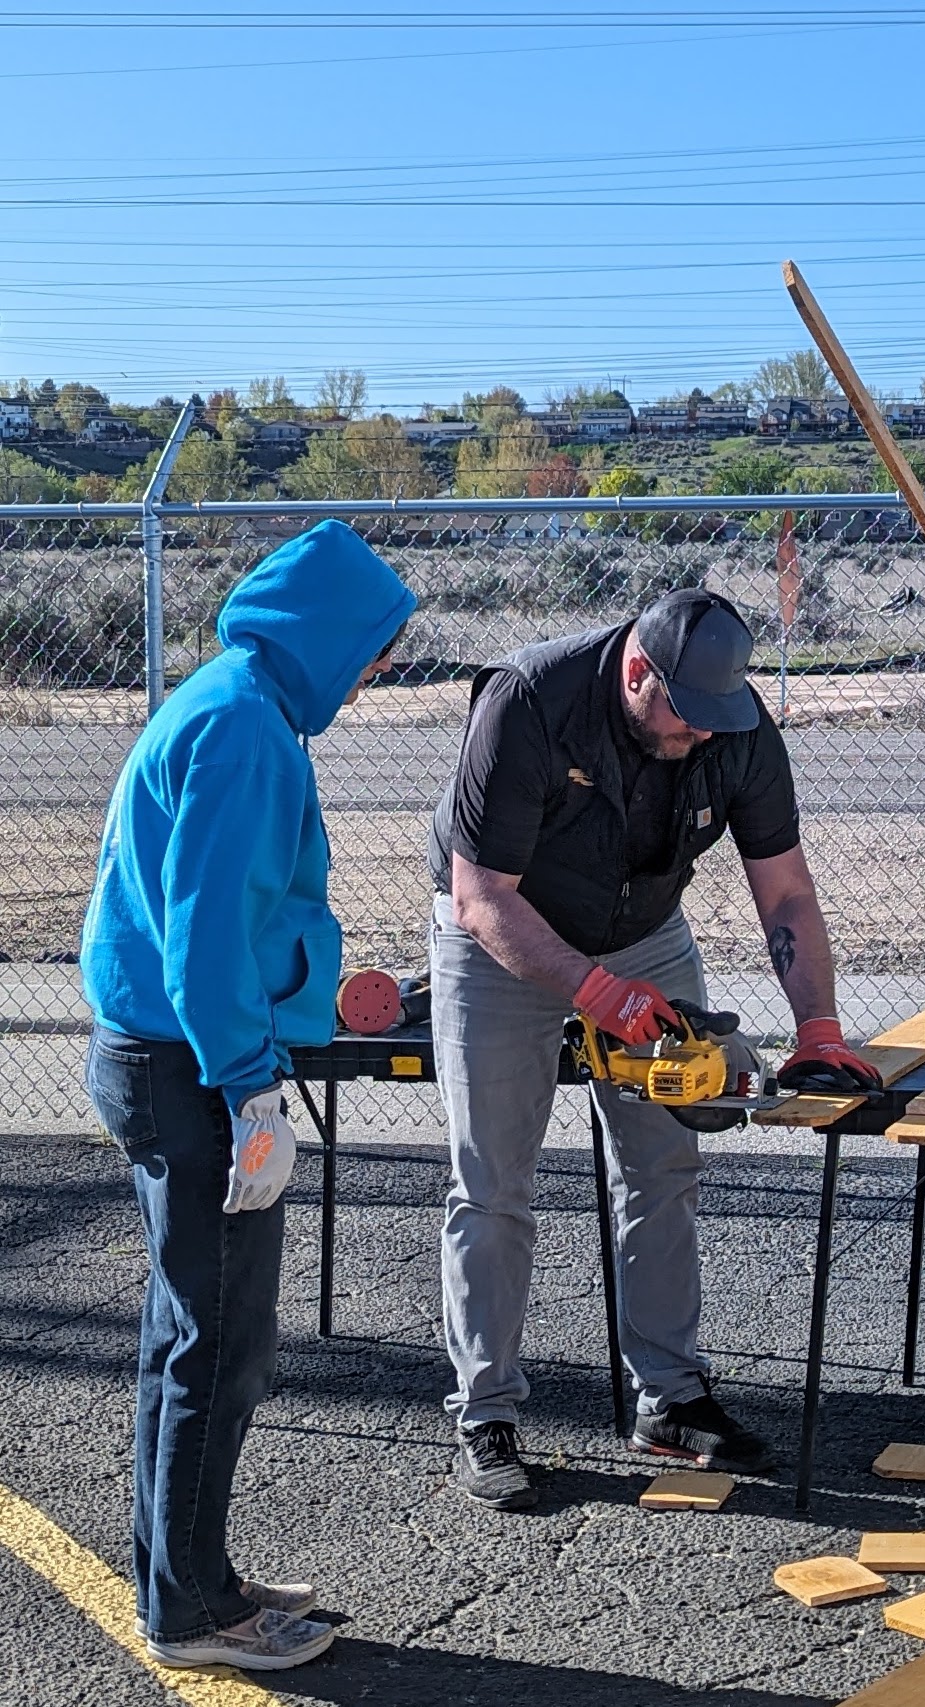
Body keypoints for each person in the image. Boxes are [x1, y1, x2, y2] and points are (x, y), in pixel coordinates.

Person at [429, 586, 879, 1511]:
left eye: (719, 719)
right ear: (638, 671)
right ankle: (487, 1412)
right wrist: (594, 994)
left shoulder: (735, 726)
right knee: (494, 1179)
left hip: (640, 929)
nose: (703, 737)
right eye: (686, 717)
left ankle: (669, 1397)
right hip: (501, 929)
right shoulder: (528, 703)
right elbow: (482, 897)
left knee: (664, 1161)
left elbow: (786, 892)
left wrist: (819, 1030)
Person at [81, 520, 415, 1671]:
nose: (374, 673)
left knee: (190, 1334)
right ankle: (190, 1613)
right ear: (328, 637)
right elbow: (208, 936)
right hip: (191, 1067)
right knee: (217, 1345)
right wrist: (250, 1089)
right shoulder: (242, 730)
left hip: (164, 1054)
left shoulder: (235, 700)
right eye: (372, 649)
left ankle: (192, 1577)